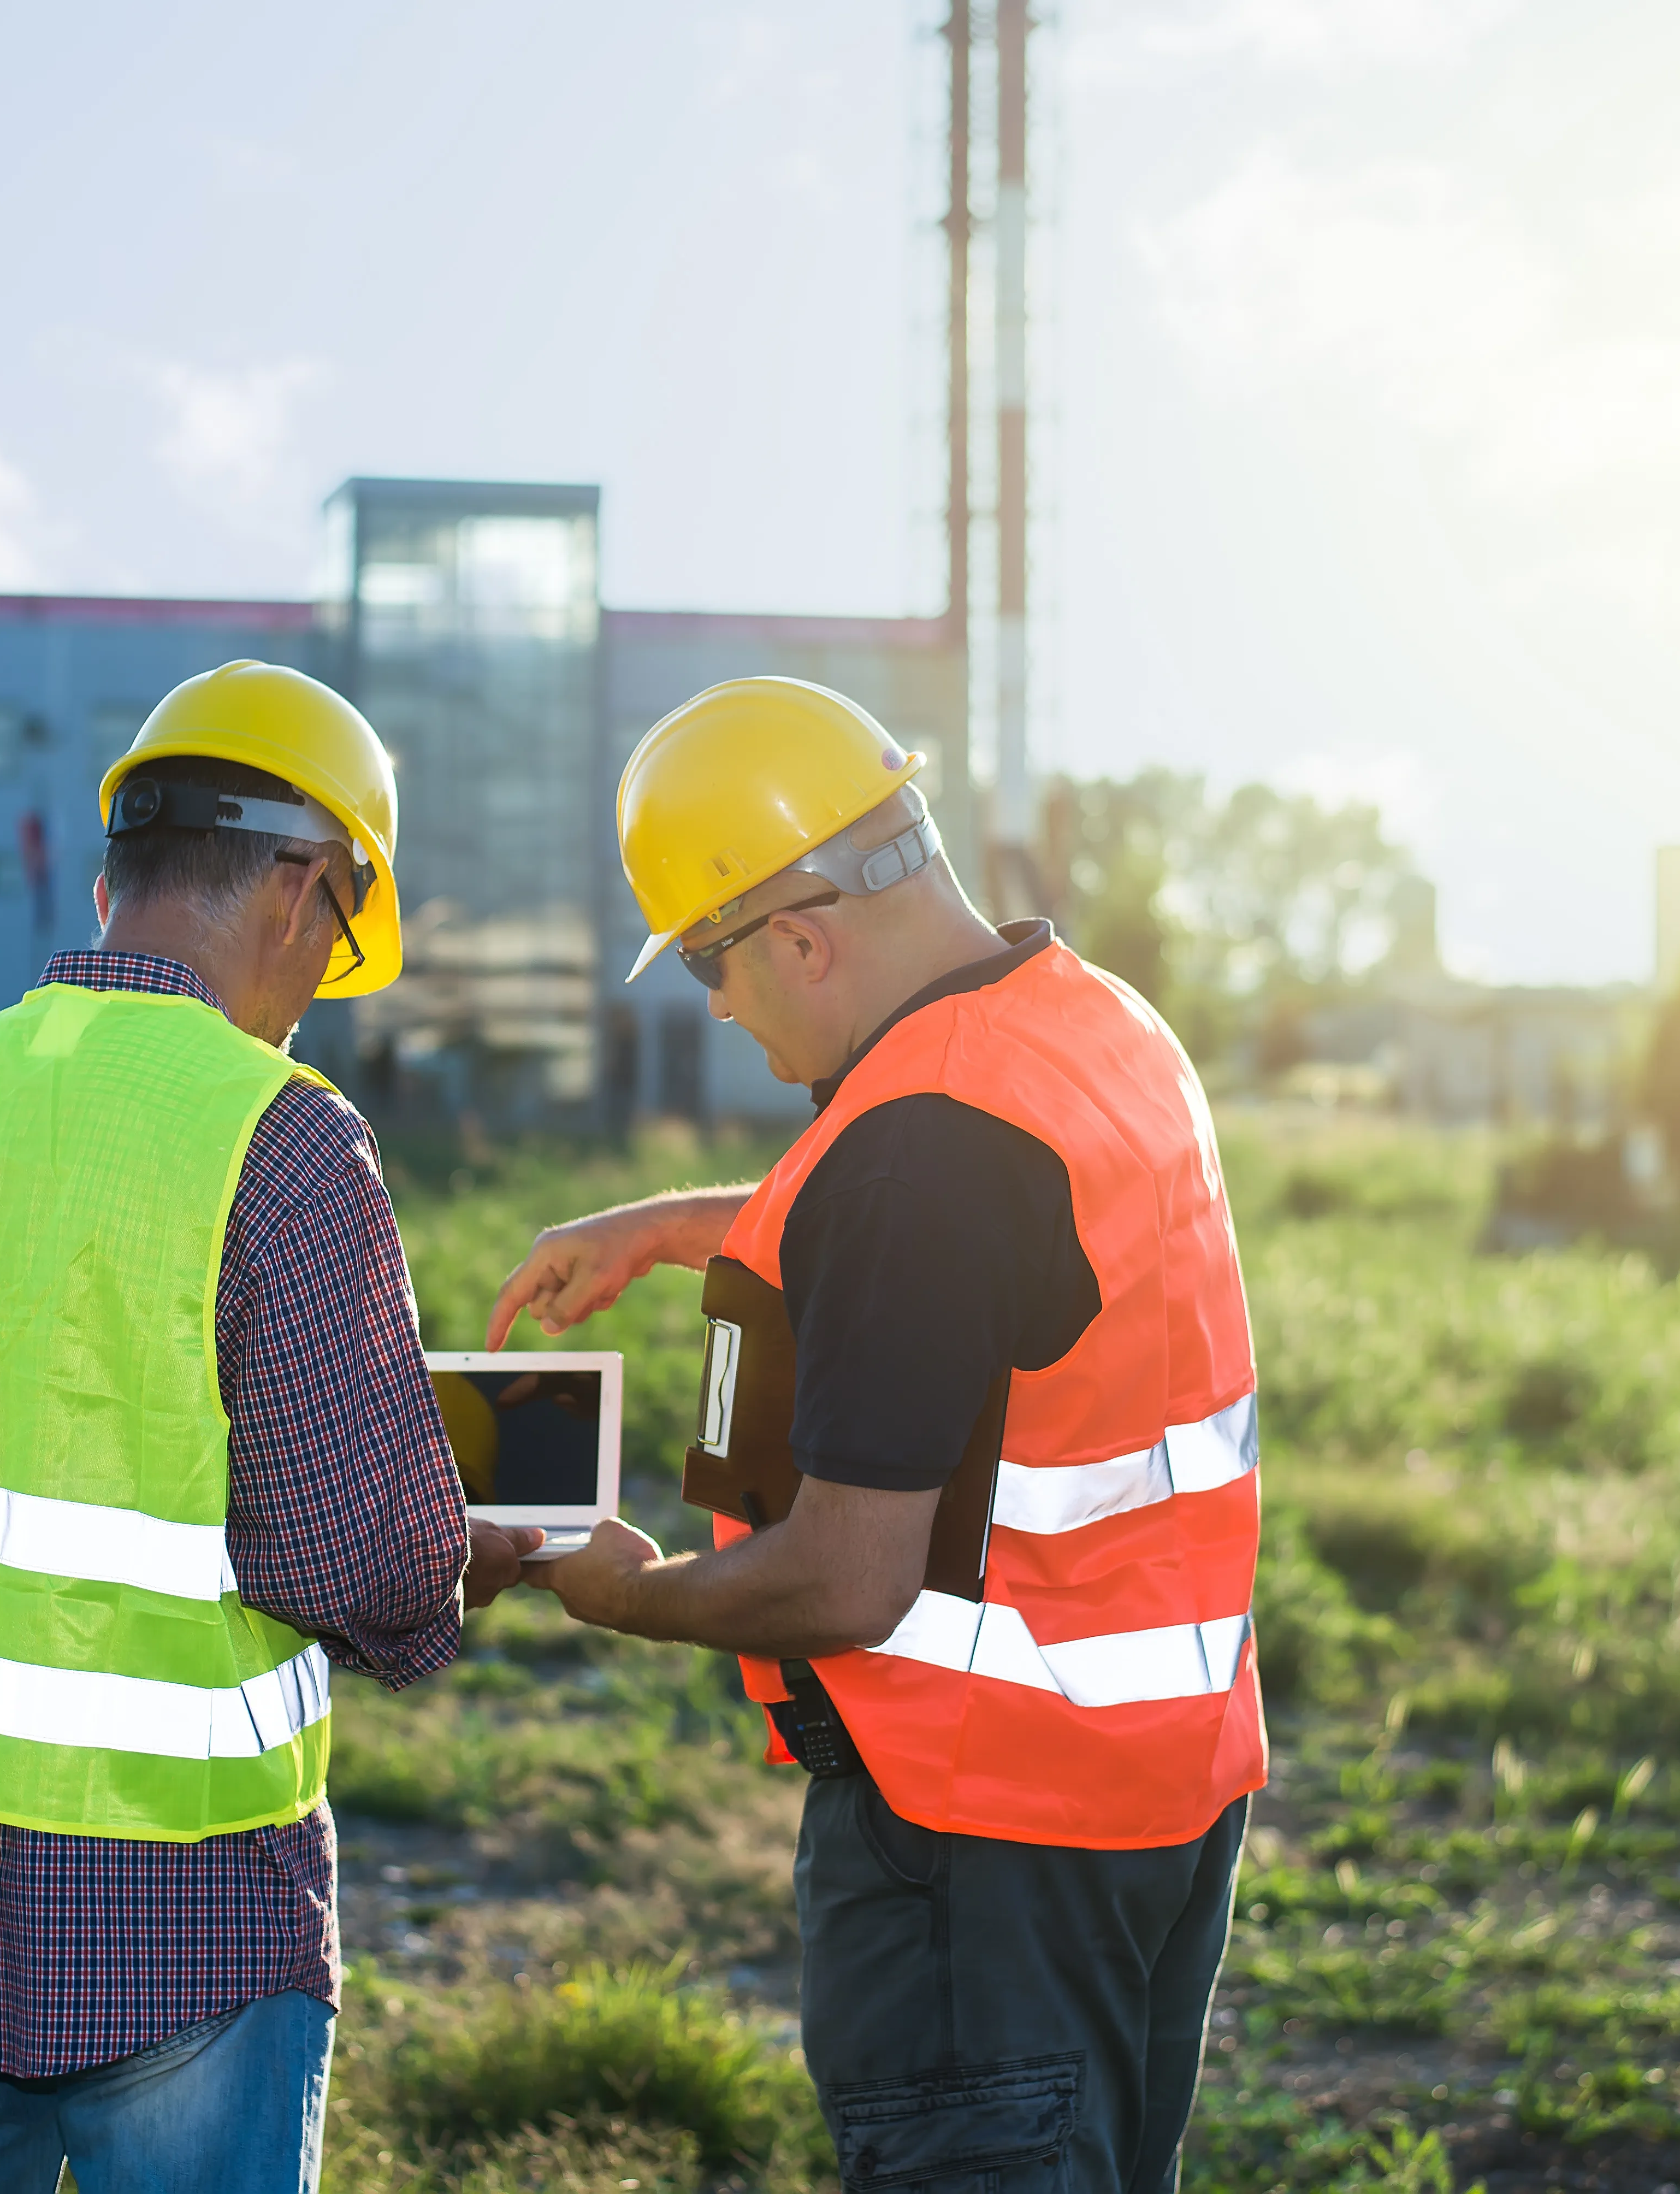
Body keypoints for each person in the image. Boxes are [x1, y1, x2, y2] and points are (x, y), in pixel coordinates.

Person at [488, 676, 1265, 2194]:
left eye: (711, 963)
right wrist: (674, 1227)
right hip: (1161, 1794)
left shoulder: (923, 1144)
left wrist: (619, 1589)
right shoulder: (1089, 1022)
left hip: (982, 1844)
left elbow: (847, 1581)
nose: (715, 1005)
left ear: (800, 935)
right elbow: (983, 1250)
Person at [0, 659, 541, 2194]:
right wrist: (481, 1552)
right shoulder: (282, 1135)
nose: (319, 986)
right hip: (184, 1923)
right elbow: (360, 1557)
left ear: (111, 878)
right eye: (341, 934)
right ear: (301, 887)